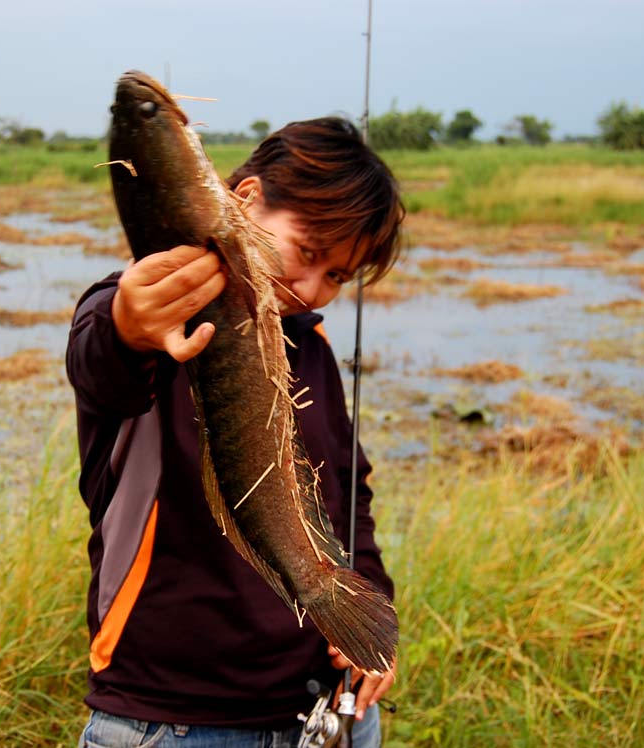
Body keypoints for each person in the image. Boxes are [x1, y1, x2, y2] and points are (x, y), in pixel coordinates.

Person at [66, 116, 405, 748]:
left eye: (337, 275)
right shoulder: (150, 318)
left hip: (322, 710)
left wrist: (365, 618)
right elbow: (99, 359)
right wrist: (128, 322)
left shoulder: (310, 343)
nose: (311, 287)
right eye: (307, 251)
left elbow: (345, 493)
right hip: (170, 720)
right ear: (244, 199)